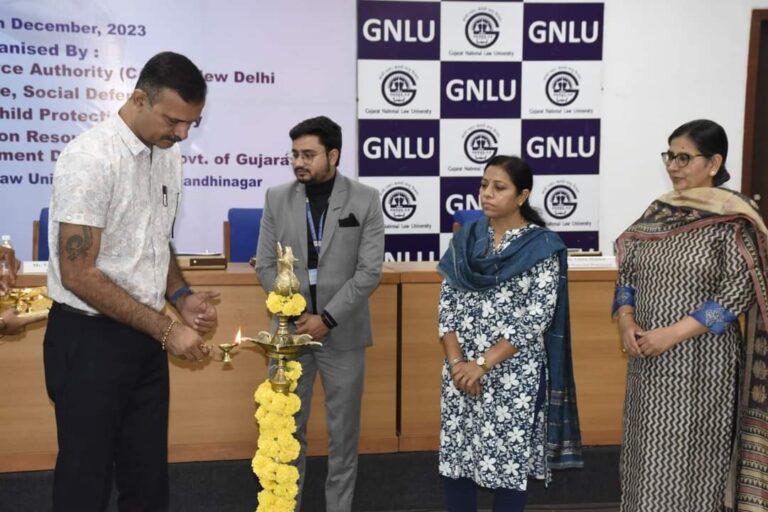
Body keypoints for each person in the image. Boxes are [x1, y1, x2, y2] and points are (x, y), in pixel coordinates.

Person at [43, 51, 219, 512]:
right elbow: (77, 273)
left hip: (144, 336)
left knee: (147, 480)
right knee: (86, 483)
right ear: (139, 98)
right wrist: (165, 328)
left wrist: (181, 297)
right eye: (174, 121)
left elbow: (155, 242)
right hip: (88, 340)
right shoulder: (90, 158)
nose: (181, 134)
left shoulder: (168, 155)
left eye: (190, 125)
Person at [613, 119, 768, 511]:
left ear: (714, 162)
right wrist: (627, 319)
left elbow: (739, 292)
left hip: (703, 368)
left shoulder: (733, 218)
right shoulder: (659, 211)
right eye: (670, 156)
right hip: (648, 365)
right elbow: (628, 269)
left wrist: (673, 334)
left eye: (685, 157)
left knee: (693, 464)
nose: (674, 166)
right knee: (644, 459)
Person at [436, 155, 583, 512]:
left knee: (506, 467)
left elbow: (535, 319)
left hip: (512, 375)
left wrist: (482, 365)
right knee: (458, 461)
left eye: (499, 187)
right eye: (484, 184)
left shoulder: (541, 246)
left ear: (522, 196)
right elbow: (447, 305)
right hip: (460, 373)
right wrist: (458, 363)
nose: (487, 193)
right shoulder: (466, 239)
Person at [255, 115, 385, 512]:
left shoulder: (364, 199)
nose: (299, 162)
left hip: (341, 334)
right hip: (288, 335)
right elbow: (264, 265)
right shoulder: (277, 197)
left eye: (308, 154)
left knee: (342, 435)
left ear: (333, 155)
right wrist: (290, 311)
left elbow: (369, 272)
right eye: (294, 154)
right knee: (284, 431)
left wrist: (325, 319)